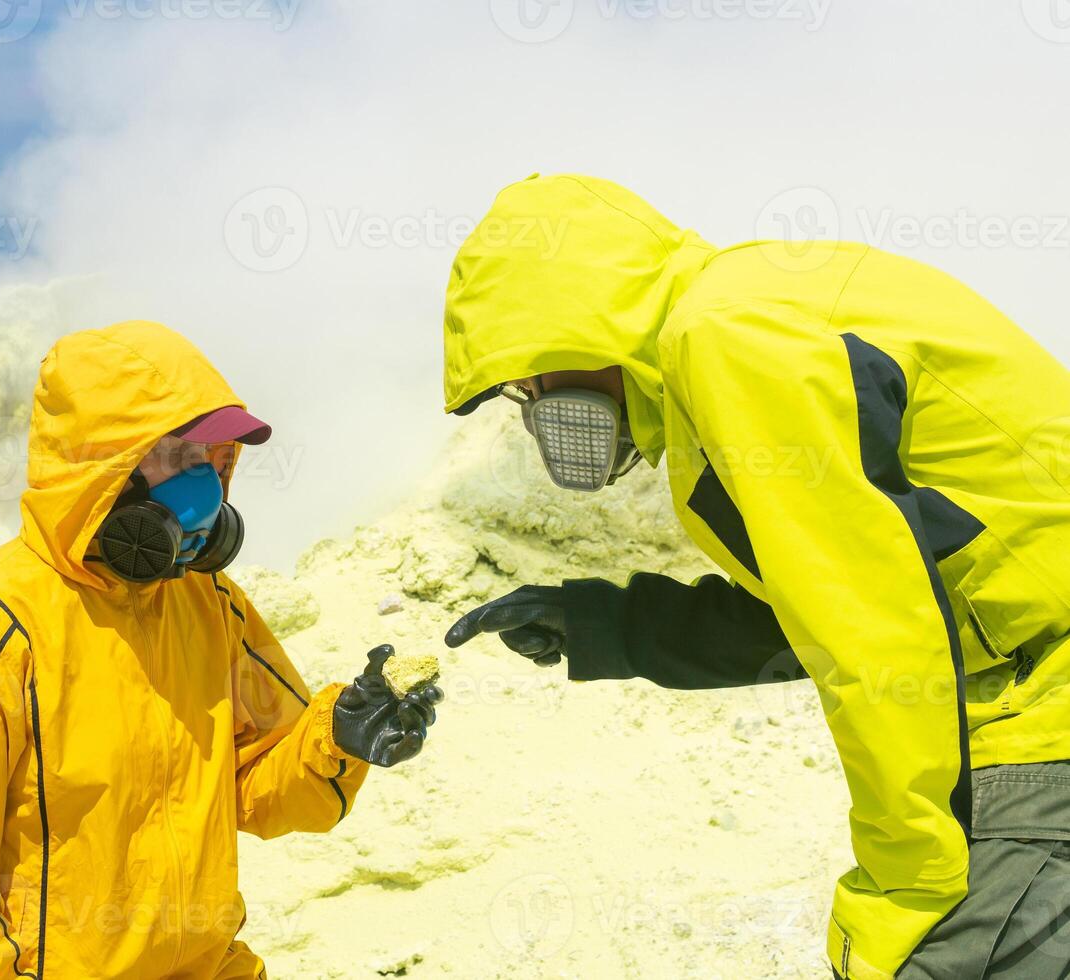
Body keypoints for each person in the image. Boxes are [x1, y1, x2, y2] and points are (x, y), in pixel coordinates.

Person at [441, 174, 1070, 979]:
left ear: (576, 328)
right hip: (1018, 690)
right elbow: (832, 605)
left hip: (1040, 700)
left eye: (527, 380)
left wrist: (909, 889)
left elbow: (872, 623)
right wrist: (610, 627)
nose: (532, 405)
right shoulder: (732, 327)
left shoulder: (724, 336)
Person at [0, 321, 440, 979]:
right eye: (174, 454)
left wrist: (339, 737)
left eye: (207, 458)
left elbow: (257, 783)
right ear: (97, 464)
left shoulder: (208, 601)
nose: (199, 480)